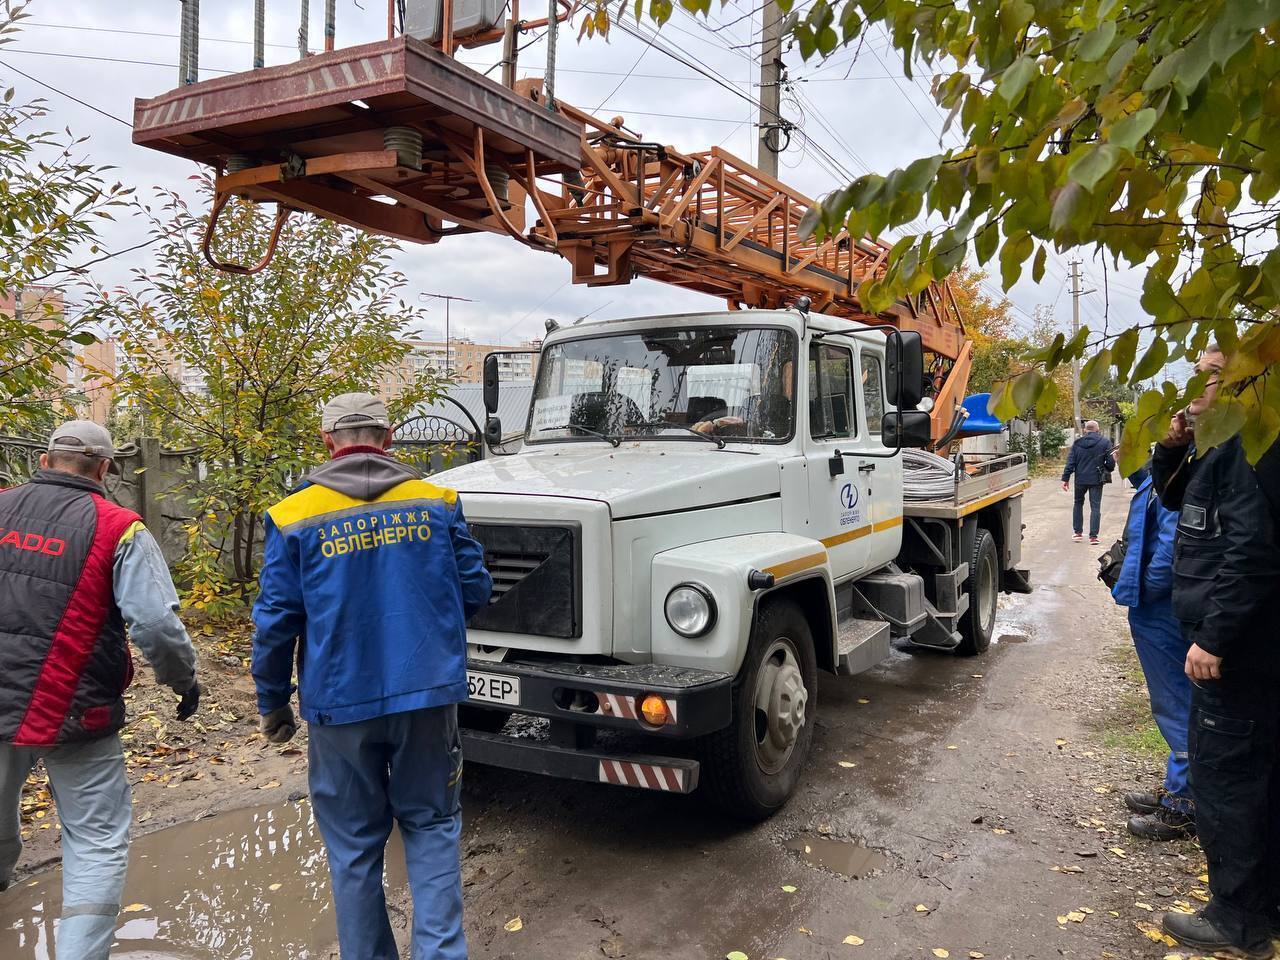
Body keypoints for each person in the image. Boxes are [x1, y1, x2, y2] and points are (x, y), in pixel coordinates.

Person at [252, 392, 492, 960]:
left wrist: (273, 702)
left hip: (338, 705)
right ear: (388, 440)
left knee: (355, 846)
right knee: (432, 828)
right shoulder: (436, 501)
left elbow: (274, 621)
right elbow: (476, 588)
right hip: (428, 698)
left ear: (326, 442)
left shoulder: (293, 516)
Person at [0, 421, 200, 960]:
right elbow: (156, 625)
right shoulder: (120, 527)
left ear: (44, 459)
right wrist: (184, 681)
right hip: (73, 706)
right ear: (106, 468)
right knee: (95, 842)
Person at [1152, 345, 1280, 959]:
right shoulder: (1227, 444)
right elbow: (1182, 504)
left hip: (1237, 648)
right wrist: (1176, 445)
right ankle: (1263, 909)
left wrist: (1214, 637)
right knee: (1255, 775)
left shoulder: (1253, 449)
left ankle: (1236, 920)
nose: (1194, 391)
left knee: (1227, 778)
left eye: (1208, 379)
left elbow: (1252, 551)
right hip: (1242, 642)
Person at [1110, 466, 1194, 840]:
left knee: (1178, 705)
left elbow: (1171, 545)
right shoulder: (1176, 467)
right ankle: (1177, 788)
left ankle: (1185, 805)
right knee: (1174, 703)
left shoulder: (1186, 472)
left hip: (1160, 608)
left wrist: (1143, 586)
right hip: (1158, 607)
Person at [1062, 420, 1115, 545]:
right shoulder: (1105, 442)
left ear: (1085, 430)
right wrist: (1106, 469)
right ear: (1097, 429)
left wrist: (1065, 478)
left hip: (1080, 479)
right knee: (1095, 507)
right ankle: (1093, 537)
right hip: (1096, 479)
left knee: (1078, 504)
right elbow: (1111, 464)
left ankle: (1078, 533)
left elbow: (1071, 463)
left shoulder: (1077, 443)